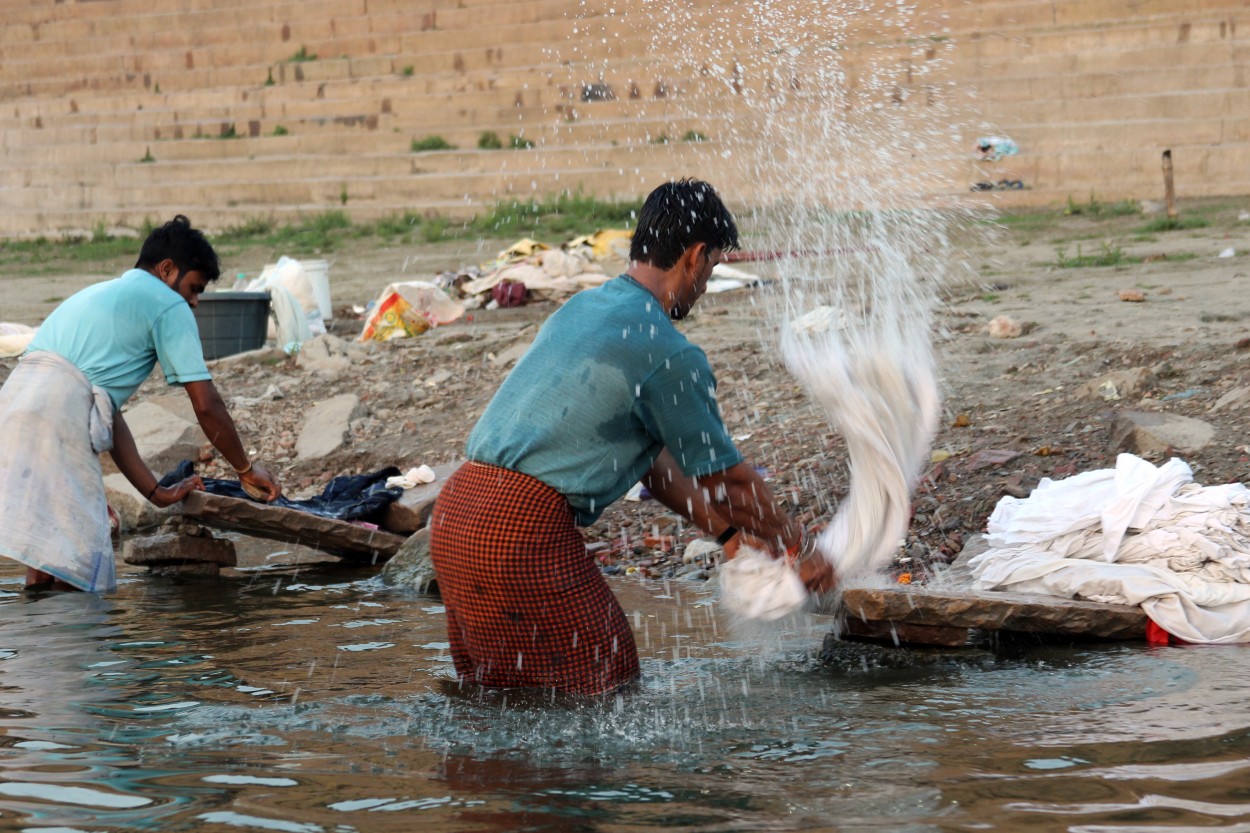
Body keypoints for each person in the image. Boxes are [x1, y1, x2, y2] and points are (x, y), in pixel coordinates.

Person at [429, 178, 834, 696]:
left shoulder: (583, 309)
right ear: (695, 256)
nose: (707, 285)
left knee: (505, 696)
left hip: (456, 517)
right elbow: (729, 482)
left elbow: (654, 463)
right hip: (518, 534)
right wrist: (797, 546)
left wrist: (732, 538)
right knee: (605, 687)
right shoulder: (668, 350)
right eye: (710, 268)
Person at [0, 215, 282, 592]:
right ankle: (71, 647)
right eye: (194, 289)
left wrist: (156, 492)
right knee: (81, 571)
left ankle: (39, 641)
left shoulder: (99, 293)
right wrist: (246, 468)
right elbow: (206, 404)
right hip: (55, 416)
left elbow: (106, 415)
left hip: (14, 404)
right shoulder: (168, 304)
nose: (195, 303)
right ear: (167, 270)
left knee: (46, 561)